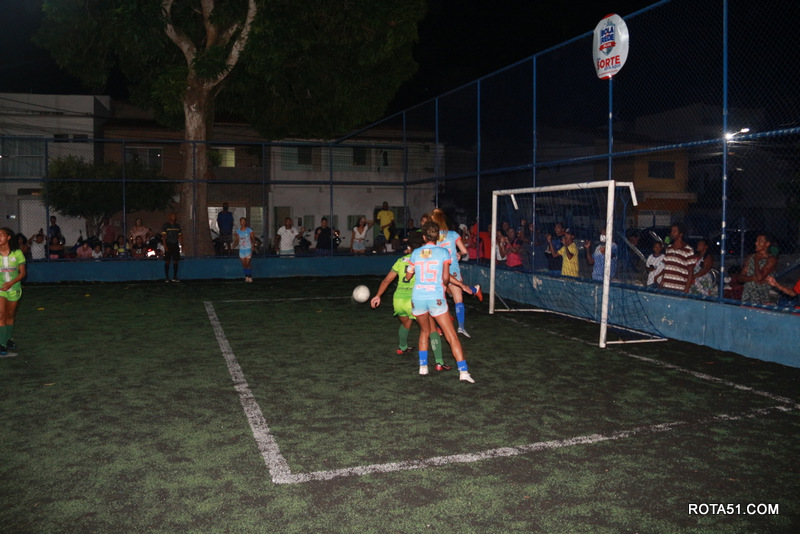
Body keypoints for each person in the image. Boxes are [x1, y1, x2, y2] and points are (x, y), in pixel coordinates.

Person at [404, 221, 475, 383]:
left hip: (418, 297)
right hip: (435, 296)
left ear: (424, 236)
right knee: (451, 335)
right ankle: (463, 372)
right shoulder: (444, 252)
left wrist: (411, 269)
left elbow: (408, 276)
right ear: (437, 236)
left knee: (424, 331)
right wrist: (459, 285)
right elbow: (445, 278)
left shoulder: (416, 253)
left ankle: (423, 367)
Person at [370, 232, 450, 370]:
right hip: (414, 299)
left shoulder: (400, 260)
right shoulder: (422, 259)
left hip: (398, 300)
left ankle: (402, 347)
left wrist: (378, 295)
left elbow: (387, 280)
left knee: (406, 323)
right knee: (431, 329)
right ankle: (439, 362)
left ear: (409, 246)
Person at [430, 208, 483, 338]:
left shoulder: (433, 237)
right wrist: (458, 253)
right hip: (452, 269)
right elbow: (464, 251)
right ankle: (460, 326)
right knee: (456, 297)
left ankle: (445, 327)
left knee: (443, 298)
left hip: (439, 271)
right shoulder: (453, 234)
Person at [0, 227, 26, 355]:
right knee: (1, 314)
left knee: (10, 315)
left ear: (8, 237)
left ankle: (8, 339)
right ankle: (2, 343)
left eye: (1, 234)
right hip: (0, 289)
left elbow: (22, 273)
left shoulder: (17, 253)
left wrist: (11, 283)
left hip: (14, 289)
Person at [738, 234, 778, 304]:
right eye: (756, 241)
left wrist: (756, 261)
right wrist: (753, 278)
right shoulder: (750, 258)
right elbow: (740, 278)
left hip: (762, 295)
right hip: (748, 294)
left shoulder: (771, 259)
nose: (756, 243)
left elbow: (759, 277)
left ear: (767, 244)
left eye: (760, 241)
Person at [659, 221, 694, 293]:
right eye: (672, 231)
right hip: (666, 286)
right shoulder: (669, 249)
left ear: (681, 234)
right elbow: (666, 267)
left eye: (674, 231)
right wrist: (662, 280)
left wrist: (687, 288)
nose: (672, 233)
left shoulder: (688, 250)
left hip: (679, 288)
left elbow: (690, 272)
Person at [161, 212, 183, 282]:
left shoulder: (177, 226)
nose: (174, 217)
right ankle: (167, 277)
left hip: (175, 245)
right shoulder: (166, 226)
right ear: (170, 217)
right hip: (168, 244)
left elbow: (179, 236)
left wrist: (181, 244)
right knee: (167, 261)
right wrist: (165, 246)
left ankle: (175, 276)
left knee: (176, 261)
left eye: (175, 216)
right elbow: (163, 237)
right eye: (173, 216)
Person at [235, 217, 256, 282]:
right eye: (241, 221)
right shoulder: (238, 231)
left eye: (244, 221)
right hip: (242, 249)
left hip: (248, 248)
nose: (243, 223)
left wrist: (253, 246)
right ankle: (246, 276)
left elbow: (253, 239)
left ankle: (249, 276)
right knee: (244, 264)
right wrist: (234, 244)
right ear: (240, 222)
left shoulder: (249, 230)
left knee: (247, 262)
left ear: (245, 222)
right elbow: (237, 239)